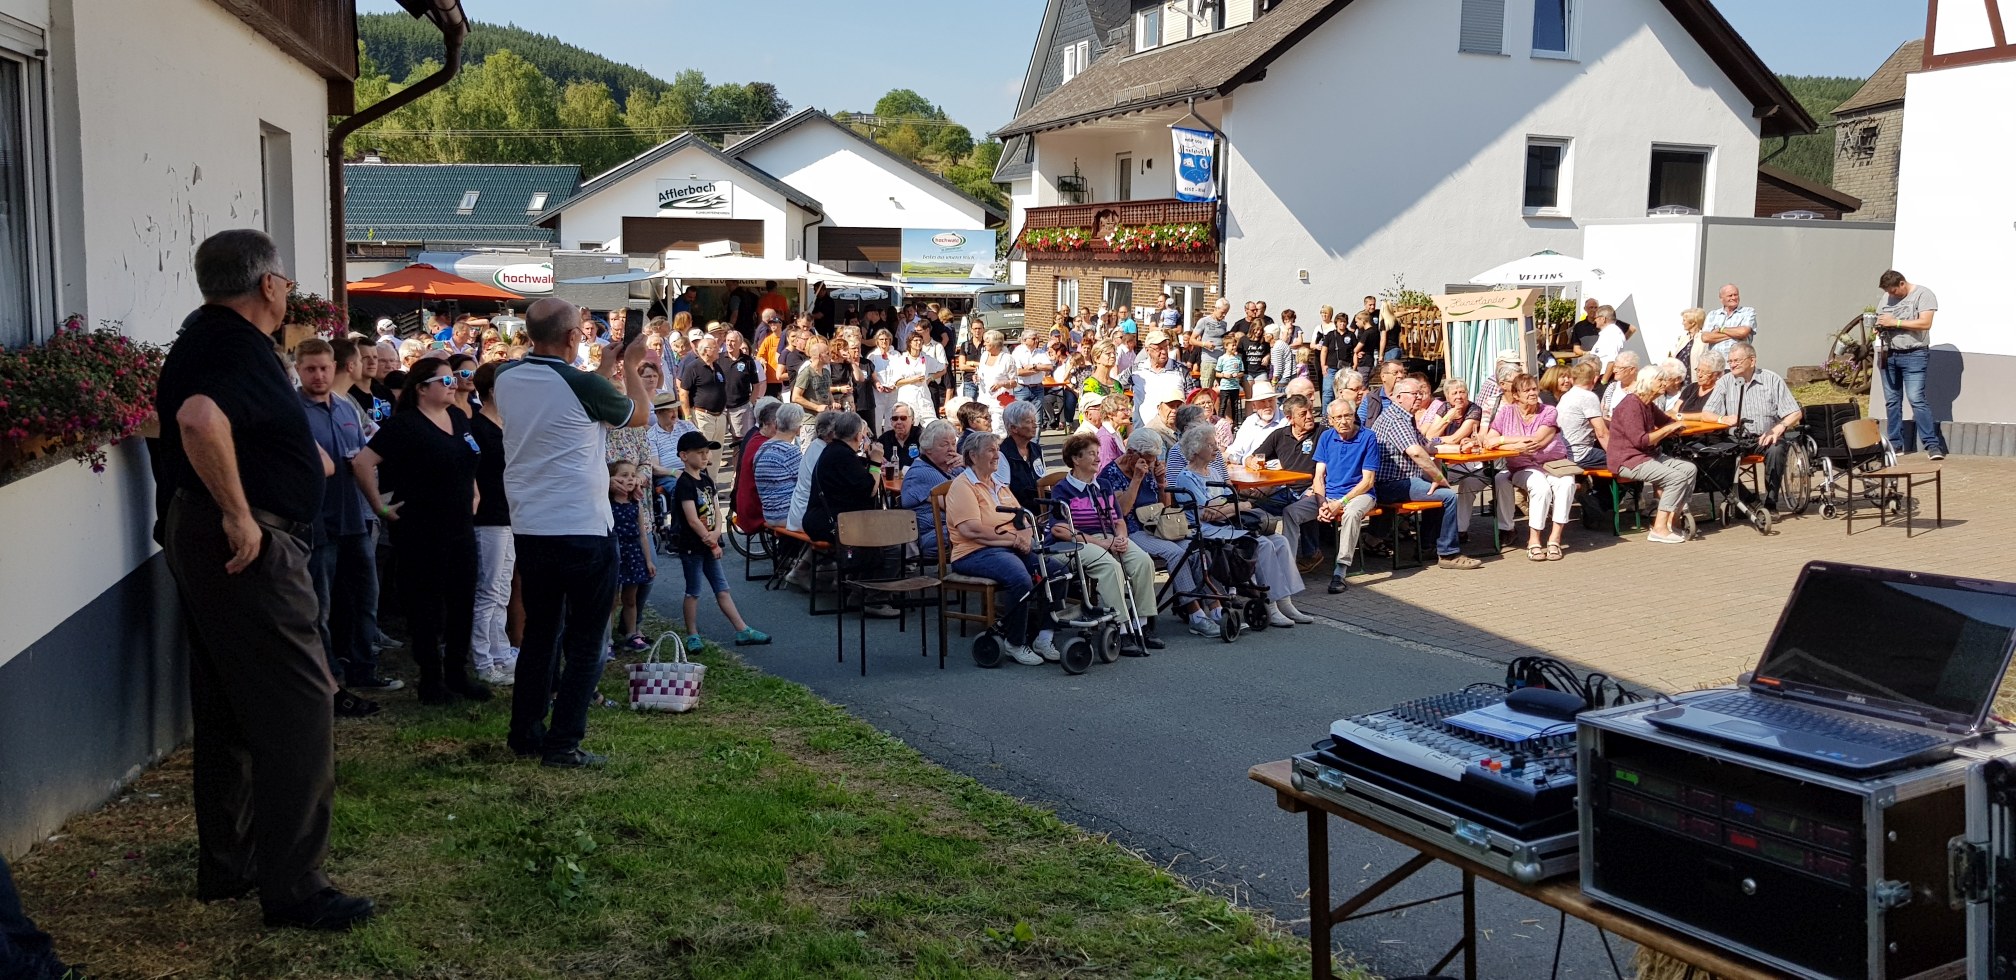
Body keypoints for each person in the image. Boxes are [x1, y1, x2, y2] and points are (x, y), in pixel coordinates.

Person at [151, 230, 373, 930]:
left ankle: (232, 863)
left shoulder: (207, 338)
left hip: (207, 535)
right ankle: (296, 888)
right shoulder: (233, 345)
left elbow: (212, 421)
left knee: (226, 707)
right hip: (250, 547)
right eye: (286, 282)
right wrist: (240, 514)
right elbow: (199, 419)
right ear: (269, 285)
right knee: (300, 709)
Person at [495, 296, 653, 770]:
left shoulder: (506, 377)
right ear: (572, 336)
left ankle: (525, 732)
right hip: (583, 526)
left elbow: (566, 399)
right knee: (586, 642)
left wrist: (602, 369)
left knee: (541, 634)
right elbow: (638, 415)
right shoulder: (583, 384)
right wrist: (629, 365)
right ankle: (563, 743)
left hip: (532, 525)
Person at [351, 356, 490, 704]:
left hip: (460, 524)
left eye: (453, 379)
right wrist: (379, 507)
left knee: (462, 599)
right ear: (422, 389)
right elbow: (363, 462)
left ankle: (457, 673)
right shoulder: (406, 425)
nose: (453, 385)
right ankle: (431, 680)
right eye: (445, 381)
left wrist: (474, 491)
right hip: (422, 528)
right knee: (426, 604)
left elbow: (468, 458)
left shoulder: (458, 417)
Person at [295, 339, 398, 721]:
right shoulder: (292, 411)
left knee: (365, 596)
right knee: (320, 605)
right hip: (317, 523)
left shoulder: (345, 407)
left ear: (334, 367)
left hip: (355, 518)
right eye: (310, 369)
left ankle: (363, 668)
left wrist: (377, 507)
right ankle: (330, 681)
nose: (319, 375)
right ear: (298, 370)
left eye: (324, 368)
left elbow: (363, 460)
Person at [1170, 424, 1311, 627]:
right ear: (1195, 449)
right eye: (1210, 445)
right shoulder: (1186, 477)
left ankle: (1285, 602)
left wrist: (1230, 506)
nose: (1216, 449)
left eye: (1215, 444)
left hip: (1228, 524)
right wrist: (1236, 506)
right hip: (1206, 530)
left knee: (1280, 541)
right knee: (1262, 544)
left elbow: (1223, 505)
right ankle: (1270, 604)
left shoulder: (1213, 472)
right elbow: (1207, 514)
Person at [946, 432, 1063, 665]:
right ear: (973, 456)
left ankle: (1044, 636)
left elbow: (1023, 518)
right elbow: (971, 530)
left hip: (1008, 547)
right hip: (973, 552)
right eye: (991, 450)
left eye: (997, 449)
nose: (997, 455)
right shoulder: (963, 486)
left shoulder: (998, 484)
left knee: (1058, 571)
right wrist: (1013, 540)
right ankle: (1015, 642)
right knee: (1019, 578)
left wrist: (1025, 537)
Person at [1050, 433, 1163, 653]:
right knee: (1111, 567)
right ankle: (1121, 628)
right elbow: (1059, 529)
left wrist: (1121, 537)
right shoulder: (1062, 489)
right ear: (1076, 459)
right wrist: (1102, 544)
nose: (1097, 458)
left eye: (1097, 453)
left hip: (1108, 537)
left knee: (1143, 561)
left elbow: (1118, 519)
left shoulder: (1103, 485)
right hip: (1075, 542)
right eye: (1091, 454)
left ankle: (1141, 624)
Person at [1370, 377, 1482, 570]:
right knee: (1448, 496)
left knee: (1437, 494)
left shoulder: (1405, 417)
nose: (1419, 398)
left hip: (1400, 481)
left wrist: (1460, 448)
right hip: (1391, 484)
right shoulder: (1396, 419)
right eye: (1414, 394)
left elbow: (1427, 446)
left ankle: (1428, 546)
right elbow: (1415, 452)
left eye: (1420, 394)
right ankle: (1448, 553)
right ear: (1399, 397)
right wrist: (1439, 477)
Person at [1479, 372, 1576, 562]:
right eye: (1527, 390)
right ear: (1516, 395)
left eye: (1534, 389)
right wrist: (1512, 445)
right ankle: (1534, 541)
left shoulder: (1548, 411)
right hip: (1523, 466)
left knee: (1567, 483)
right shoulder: (1506, 413)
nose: (1532, 393)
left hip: (1554, 464)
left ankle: (1555, 539)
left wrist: (1502, 440)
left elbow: (1534, 441)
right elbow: (1489, 440)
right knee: (1540, 487)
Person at [1605, 365, 1698, 544]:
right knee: (1676, 478)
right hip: (1628, 460)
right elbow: (1641, 441)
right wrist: (1668, 429)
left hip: (1649, 455)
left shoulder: (1648, 404)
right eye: (1660, 380)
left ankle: (1673, 521)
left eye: (1665, 379)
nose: (1664, 384)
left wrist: (1675, 427)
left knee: (1689, 469)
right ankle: (1659, 529)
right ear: (1647, 382)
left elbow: (1666, 421)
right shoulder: (1631, 405)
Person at [467, 362, 517, 687]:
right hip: (488, 515)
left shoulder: (507, 425)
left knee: (502, 588)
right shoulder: (478, 427)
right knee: (487, 589)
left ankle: (500, 652)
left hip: (510, 513)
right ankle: (482, 659)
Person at [1703, 342, 1804, 502]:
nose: (1732, 365)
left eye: (1737, 360)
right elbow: (1706, 414)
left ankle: (1771, 502)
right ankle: (1748, 501)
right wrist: (1723, 419)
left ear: (1752, 361)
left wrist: (1779, 427)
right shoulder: (1725, 382)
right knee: (1712, 458)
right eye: (1730, 361)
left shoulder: (1772, 379)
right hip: (1735, 439)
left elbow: (1795, 412)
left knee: (1777, 450)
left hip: (1765, 437)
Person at [1310, 398, 1381, 594]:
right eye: (1338, 417)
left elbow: (1368, 481)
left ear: (1354, 415)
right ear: (1330, 420)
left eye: (1348, 416)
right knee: (1292, 512)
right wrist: (1321, 503)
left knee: (1351, 513)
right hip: (1329, 496)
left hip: (1360, 494)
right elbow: (1318, 476)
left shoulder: (1368, 437)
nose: (1343, 421)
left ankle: (1340, 570)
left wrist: (1340, 503)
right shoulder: (1326, 437)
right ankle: (1288, 565)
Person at [1875, 269, 1945, 458]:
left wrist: (1895, 322)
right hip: (1889, 354)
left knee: (1916, 399)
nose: (1890, 295)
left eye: (1893, 291)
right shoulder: (1886, 297)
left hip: (1915, 354)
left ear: (1902, 284)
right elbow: (1881, 318)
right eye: (1887, 292)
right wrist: (1878, 326)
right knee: (1892, 401)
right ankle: (1896, 445)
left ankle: (1932, 445)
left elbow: (1925, 323)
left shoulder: (1923, 295)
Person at [1250, 393, 1325, 560]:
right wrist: (1252, 462)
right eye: (1303, 413)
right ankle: (1260, 552)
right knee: (1254, 507)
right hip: (1287, 489)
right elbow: (1254, 456)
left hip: (1312, 488)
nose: (1310, 416)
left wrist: (1315, 488)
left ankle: (1311, 554)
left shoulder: (1322, 433)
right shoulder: (1280, 435)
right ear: (1290, 419)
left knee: (1303, 503)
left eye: (1311, 411)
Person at [605, 459, 655, 651]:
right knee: (612, 600)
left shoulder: (636, 504)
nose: (630, 479)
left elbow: (643, 535)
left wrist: (648, 560)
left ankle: (631, 634)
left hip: (633, 555)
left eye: (633, 475)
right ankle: (607, 640)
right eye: (624, 475)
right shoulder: (606, 504)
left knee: (630, 599)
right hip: (614, 554)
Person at [901, 419, 964, 562]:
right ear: (928, 448)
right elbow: (959, 508)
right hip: (930, 537)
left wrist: (968, 464)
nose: (951, 449)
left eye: (953, 443)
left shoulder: (953, 467)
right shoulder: (922, 472)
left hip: (948, 530)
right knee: (977, 530)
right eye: (944, 444)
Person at [753, 404, 807, 527]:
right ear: (798, 429)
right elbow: (807, 482)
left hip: (769, 514)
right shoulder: (790, 451)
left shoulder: (762, 448)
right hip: (788, 515)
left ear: (777, 423)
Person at [1555, 361, 1609, 468]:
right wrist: (1617, 456)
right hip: (1581, 455)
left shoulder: (1566, 396)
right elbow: (1602, 433)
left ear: (1572, 379)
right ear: (1594, 379)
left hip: (1564, 453)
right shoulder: (1589, 396)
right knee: (1627, 458)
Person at [1225, 380, 1285, 464]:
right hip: (1245, 467)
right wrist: (1238, 460)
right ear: (1254, 405)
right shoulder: (1250, 422)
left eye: (1270, 400)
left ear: (1275, 401)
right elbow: (1235, 450)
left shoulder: (1285, 421)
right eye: (1262, 401)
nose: (1267, 405)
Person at [888, 329, 942, 424]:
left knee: (930, 422)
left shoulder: (926, 358)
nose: (919, 342)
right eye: (916, 340)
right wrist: (912, 380)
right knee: (909, 423)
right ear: (910, 343)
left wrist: (930, 378)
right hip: (907, 396)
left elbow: (942, 367)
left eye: (920, 340)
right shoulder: (901, 360)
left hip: (923, 395)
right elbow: (897, 382)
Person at [1000, 399, 1046, 506]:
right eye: (1029, 422)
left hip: (1039, 508)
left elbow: (1044, 483)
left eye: (1034, 421)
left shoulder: (1036, 449)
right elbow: (1004, 493)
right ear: (1014, 428)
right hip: (1017, 509)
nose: (1035, 425)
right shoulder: (1002, 453)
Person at [1700, 283, 1756, 356]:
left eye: (1736, 295)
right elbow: (1705, 337)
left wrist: (1720, 329)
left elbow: (1743, 332)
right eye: (1730, 295)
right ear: (1721, 298)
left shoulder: (1747, 311)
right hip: (1715, 360)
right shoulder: (1713, 314)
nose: (1733, 298)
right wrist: (1735, 334)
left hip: (1737, 359)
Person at [1673, 349, 1726, 417]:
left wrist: (1681, 416)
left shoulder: (1720, 391)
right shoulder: (1691, 388)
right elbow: (1674, 410)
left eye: (1705, 372)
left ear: (1718, 374)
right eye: (1698, 370)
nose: (1699, 375)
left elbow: (1708, 415)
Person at [1196, 298, 1231, 391]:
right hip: (1209, 361)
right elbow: (1192, 340)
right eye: (1222, 312)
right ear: (1216, 308)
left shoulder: (1224, 324)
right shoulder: (1204, 321)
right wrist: (1204, 344)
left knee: (1222, 390)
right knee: (1206, 390)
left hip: (1222, 361)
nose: (1224, 315)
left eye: (1226, 313)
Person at [1215, 335, 1246, 420]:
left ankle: (1234, 424)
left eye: (1235, 345)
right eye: (1232, 345)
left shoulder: (1238, 359)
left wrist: (1238, 374)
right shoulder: (1222, 358)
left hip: (1235, 387)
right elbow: (1217, 373)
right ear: (1226, 346)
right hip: (1225, 387)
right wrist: (1224, 375)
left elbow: (1242, 372)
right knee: (1223, 405)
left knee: (1235, 407)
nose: (1234, 347)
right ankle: (1220, 422)